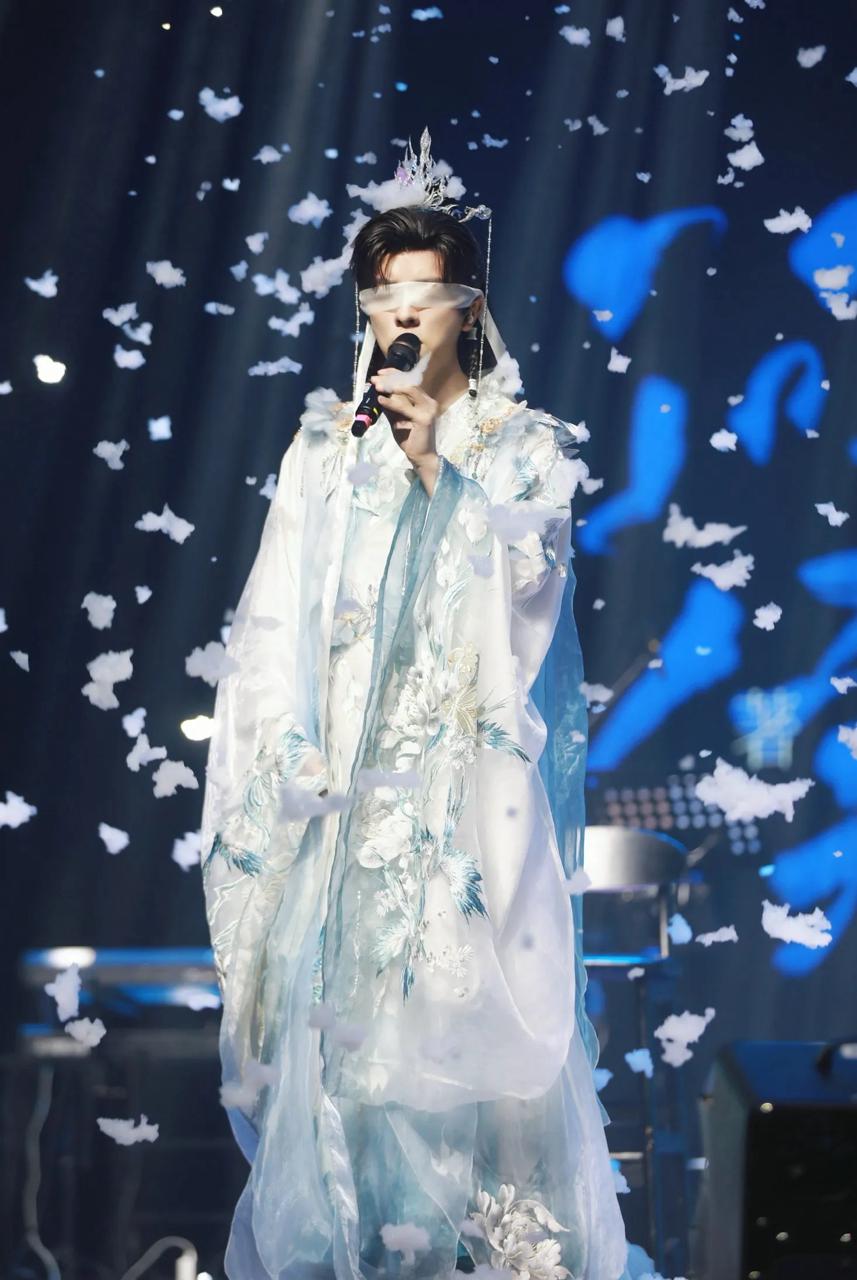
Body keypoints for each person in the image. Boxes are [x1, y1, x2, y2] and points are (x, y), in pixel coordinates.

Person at [200, 135, 633, 1280]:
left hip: (462, 818)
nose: (401, 318)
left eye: (424, 297)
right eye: (381, 298)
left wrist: (441, 466)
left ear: (467, 310)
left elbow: (525, 607)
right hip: (343, 818)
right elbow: (270, 627)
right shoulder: (321, 454)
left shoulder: (526, 449)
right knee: (349, 1093)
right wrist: (291, 758)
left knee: (471, 1090)